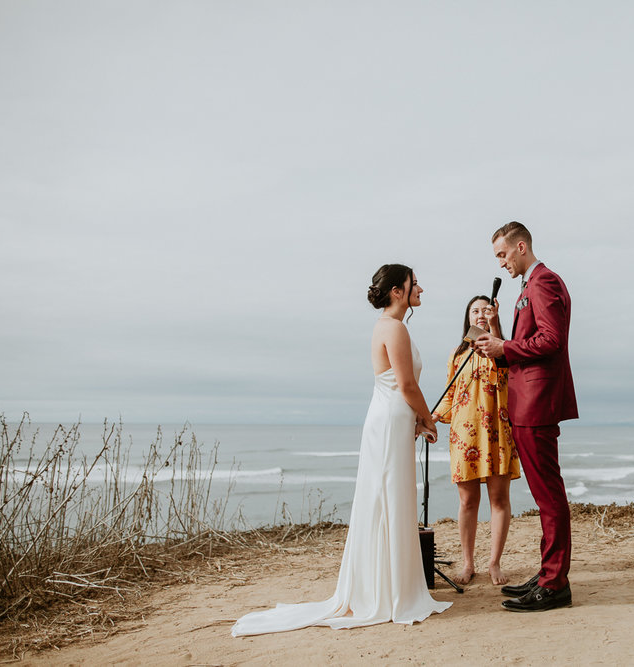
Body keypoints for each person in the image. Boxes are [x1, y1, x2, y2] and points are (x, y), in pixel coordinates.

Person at [232, 264, 451, 636]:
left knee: (390, 498)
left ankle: (390, 585)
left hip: (393, 417)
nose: (421, 289)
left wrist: (415, 419)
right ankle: (389, 591)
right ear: (398, 291)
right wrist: (428, 419)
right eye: (415, 284)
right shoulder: (393, 328)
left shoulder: (394, 327)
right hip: (390, 417)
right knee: (387, 497)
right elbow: (407, 385)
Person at [475, 222, 578, 613]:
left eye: (503, 255)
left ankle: (555, 584)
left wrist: (506, 347)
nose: (501, 263)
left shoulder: (543, 282)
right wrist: (500, 341)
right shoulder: (530, 285)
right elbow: (531, 340)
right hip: (527, 400)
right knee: (543, 493)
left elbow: (551, 340)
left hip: (537, 402)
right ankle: (548, 573)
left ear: (521, 247)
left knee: (549, 496)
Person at [431, 296, 521, 586]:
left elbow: (507, 373)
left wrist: (494, 329)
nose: (480, 314)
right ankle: (468, 562)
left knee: (499, 498)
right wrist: (430, 419)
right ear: (468, 318)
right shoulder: (458, 354)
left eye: (486, 309)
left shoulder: (504, 348)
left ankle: (494, 562)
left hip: (496, 430)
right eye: (475, 310)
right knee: (468, 501)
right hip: (464, 433)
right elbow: (449, 393)